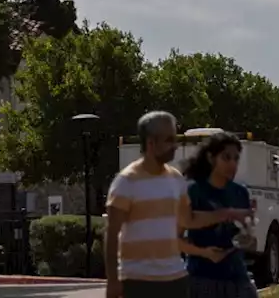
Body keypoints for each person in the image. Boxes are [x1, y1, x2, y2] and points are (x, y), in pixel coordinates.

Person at [105, 112, 253, 298]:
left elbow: (189, 219)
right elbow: (111, 234)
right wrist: (112, 280)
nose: (175, 146)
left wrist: (228, 214)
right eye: (169, 140)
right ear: (151, 143)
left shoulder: (175, 179)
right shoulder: (126, 182)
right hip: (139, 280)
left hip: (175, 279)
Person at [180, 131, 259, 298]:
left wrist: (248, 238)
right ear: (211, 158)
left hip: (237, 278)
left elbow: (247, 237)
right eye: (226, 158)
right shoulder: (193, 191)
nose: (232, 164)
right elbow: (173, 240)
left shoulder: (240, 192)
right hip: (201, 278)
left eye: (236, 159)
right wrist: (204, 252)